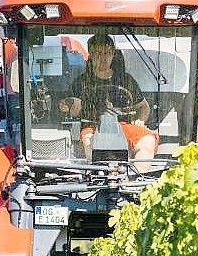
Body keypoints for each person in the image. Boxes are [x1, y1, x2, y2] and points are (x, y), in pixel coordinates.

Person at [58, 34, 158, 164]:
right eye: (98, 53)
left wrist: (140, 120)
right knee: (90, 145)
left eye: (107, 53)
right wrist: (66, 104)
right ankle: (96, 179)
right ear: (91, 55)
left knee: (147, 142)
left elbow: (143, 106)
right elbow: (65, 104)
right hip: (92, 126)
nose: (103, 58)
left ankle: (137, 179)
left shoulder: (126, 80)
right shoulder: (80, 82)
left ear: (113, 55)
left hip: (124, 125)